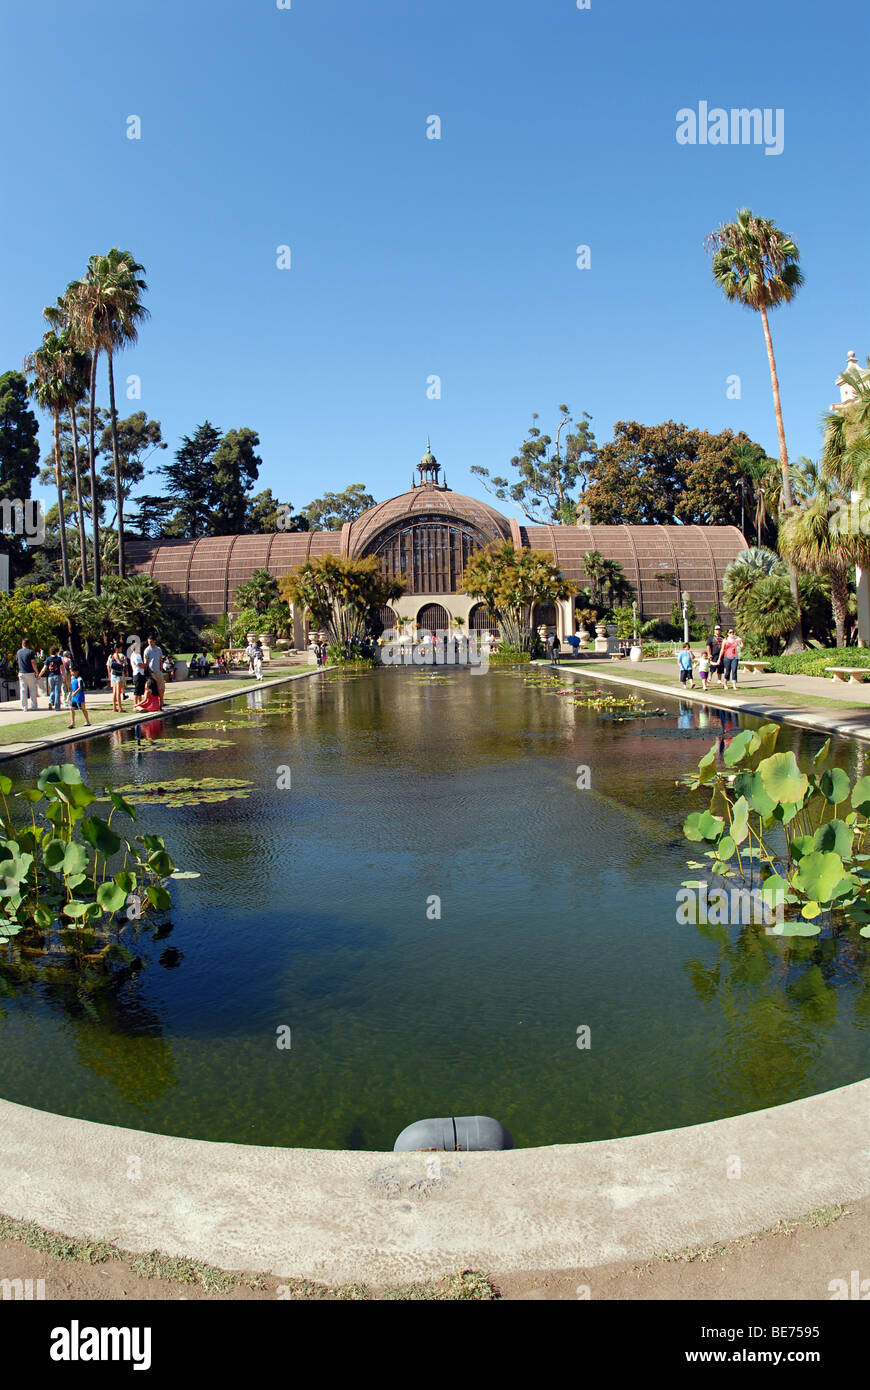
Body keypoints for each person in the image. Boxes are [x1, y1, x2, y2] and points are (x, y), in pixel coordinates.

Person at [16, 636, 39, 711]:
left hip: (21, 672)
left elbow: (17, 662)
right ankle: (34, 706)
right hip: (30, 672)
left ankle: (24, 707)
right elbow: (33, 663)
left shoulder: (18, 652)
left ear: (22, 644)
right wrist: (37, 672)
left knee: (23, 690)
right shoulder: (30, 652)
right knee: (32, 689)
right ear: (28, 644)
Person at [143, 635, 165, 708]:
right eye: (149, 642)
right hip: (151, 672)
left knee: (161, 687)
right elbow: (145, 661)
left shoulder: (158, 649)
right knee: (152, 688)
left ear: (154, 641)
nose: (150, 643)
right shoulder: (147, 650)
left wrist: (161, 668)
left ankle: (161, 703)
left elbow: (160, 660)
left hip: (158, 671)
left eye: (151, 641)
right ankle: (151, 704)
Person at [39, 646, 64, 711]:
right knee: (57, 691)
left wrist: (39, 675)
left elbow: (44, 668)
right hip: (58, 675)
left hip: (50, 676)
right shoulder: (58, 659)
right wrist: (63, 676)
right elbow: (62, 668)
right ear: (56, 652)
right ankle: (57, 706)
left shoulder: (48, 659)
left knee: (52, 690)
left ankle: (51, 701)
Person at [107, 643, 126, 712]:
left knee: (115, 691)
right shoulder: (116, 655)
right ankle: (120, 707)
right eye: (120, 648)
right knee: (118, 691)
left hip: (114, 674)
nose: (121, 649)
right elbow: (119, 663)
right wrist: (124, 660)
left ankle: (114, 707)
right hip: (118, 674)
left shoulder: (112, 655)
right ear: (117, 649)